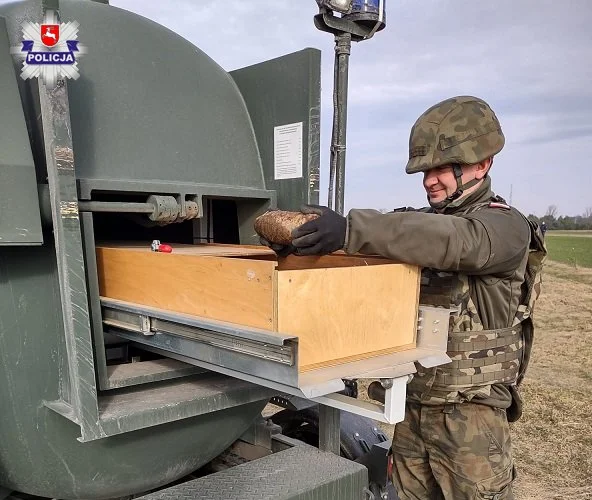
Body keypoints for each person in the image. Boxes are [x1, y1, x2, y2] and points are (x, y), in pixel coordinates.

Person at [268, 96, 546, 499]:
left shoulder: (504, 227)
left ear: (482, 164)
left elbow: (453, 242)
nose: (430, 179)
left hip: (470, 418)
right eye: (425, 170)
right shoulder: (419, 224)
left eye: (443, 169)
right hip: (411, 406)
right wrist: (306, 242)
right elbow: (393, 237)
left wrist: (351, 229)